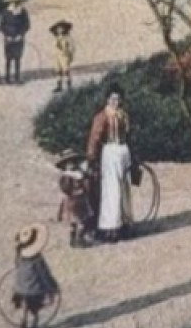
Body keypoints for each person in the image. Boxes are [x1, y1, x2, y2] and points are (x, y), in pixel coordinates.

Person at [86, 86, 134, 243]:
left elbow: (129, 135)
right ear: (107, 100)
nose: (116, 102)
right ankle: (110, 228)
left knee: (124, 187)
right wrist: (91, 157)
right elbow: (95, 137)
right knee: (112, 189)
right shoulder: (103, 116)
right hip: (110, 152)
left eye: (119, 99)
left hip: (123, 151)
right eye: (113, 99)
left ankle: (125, 223)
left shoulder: (124, 115)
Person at [10, 224, 60, 328]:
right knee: (35, 309)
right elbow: (44, 275)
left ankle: (23, 324)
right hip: (34, 288)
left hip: (21, 286)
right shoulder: (37, 258)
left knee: (25, 306)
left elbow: (17, 267)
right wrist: (52, 288)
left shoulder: (19, 253)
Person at [55, 149, 97, 248]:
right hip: (72, 200)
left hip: (79, 199)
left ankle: (78, 239)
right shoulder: (67, 176)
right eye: (68, 163)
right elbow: (64, 187)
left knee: (80, 222)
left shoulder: (79, 174)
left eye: (72, 162)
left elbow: (86, 185)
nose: (70, 165)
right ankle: (75, 239)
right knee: (74, 222)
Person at [0, 0, 31, 85]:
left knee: (17, 58)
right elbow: (2, 25)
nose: (14, 3)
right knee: (8, 58)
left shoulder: (23, 11)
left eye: (15, 1)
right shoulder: (5, 12)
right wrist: (6, 35)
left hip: (19, 38)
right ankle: (7, 78)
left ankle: (17, 77)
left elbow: (27, 24)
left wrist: (21, 34)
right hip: (8, 38)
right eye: (12, 1)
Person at [50, 20, 76, 92]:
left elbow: (72, 47)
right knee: (58, 71)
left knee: (66, 70)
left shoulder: (68, 38)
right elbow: (53, 47)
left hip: (65, 56)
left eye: (61, 28)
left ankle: (69, 86)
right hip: (57, 56)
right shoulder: (56, 38)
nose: (59, 30)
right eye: (58, 29)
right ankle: (59, 85)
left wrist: (69, 53)